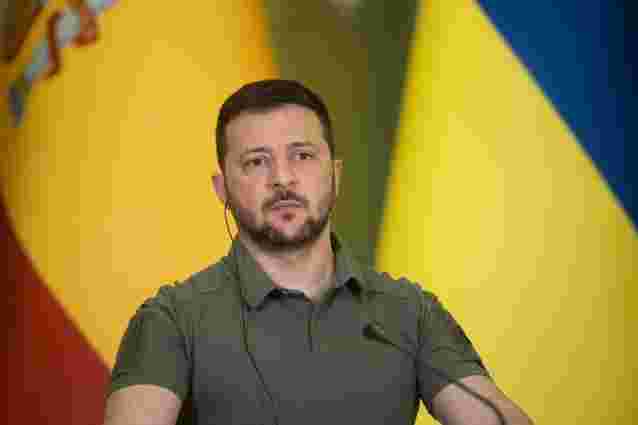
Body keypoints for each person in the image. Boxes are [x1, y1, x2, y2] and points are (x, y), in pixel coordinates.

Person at [104, 79, 534, 425]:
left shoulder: (409, 312)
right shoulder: (170, 320)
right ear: (222, 189)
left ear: (335, 173)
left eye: (303, 156)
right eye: (256, 162)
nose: (283, 178)